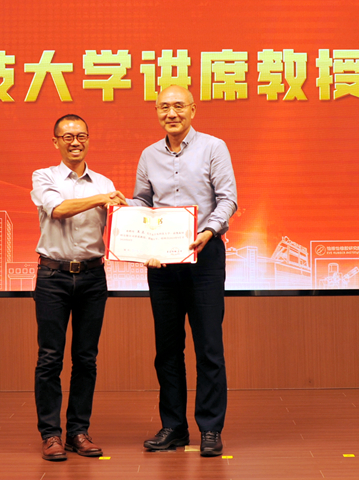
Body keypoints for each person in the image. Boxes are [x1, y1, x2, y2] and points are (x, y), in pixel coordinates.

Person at [131, 85, 238, 457]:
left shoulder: (213, 147)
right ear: (157, 111)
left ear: (193, 110)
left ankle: (210, 428)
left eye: (178, 106)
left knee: (208, 346)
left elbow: (228, 199)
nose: (171, 113)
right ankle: (174, 427)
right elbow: (142, 201)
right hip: (163, 262)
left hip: (204, 256)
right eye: (164, 107)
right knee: (167, 348)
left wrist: (208, 231)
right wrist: (130, 224)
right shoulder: (148, 155)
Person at [31, 114, 126, 462]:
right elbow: (58, 209)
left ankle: (78, 432)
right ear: (55, 141)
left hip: (92, 277)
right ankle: (50, 434)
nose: (75, 142)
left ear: (88, 140)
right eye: (67, 136)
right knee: (50, 358)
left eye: (81, 135)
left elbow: (123, 226)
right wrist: (102, 199)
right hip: (53, 276)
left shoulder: (104, 182)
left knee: (86, 359)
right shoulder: (44, 177)